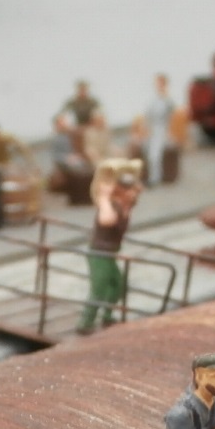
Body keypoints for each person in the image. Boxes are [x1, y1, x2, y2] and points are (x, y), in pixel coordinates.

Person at [78, 160, 142, 334]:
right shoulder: (110, 205)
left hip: (110, 254)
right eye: (128, 189)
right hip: (99, 254)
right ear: (119, 190)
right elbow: (106, 220)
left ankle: (107, 315)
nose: (132, 192)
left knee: (118, 285)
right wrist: (103, 196)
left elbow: (136, 193)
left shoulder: (124, 205)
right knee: (99, 288)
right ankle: (85, 323)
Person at [141, 74, 176, 186]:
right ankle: (147, 175)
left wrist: (169, 132)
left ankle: (155, 178)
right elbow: (147, 116)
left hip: (161, 129)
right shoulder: (152, 99)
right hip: (151, 129)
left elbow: (171, 117)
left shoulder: (168, 100)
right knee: (145, 150)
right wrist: (145, 129)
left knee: (154, 154)